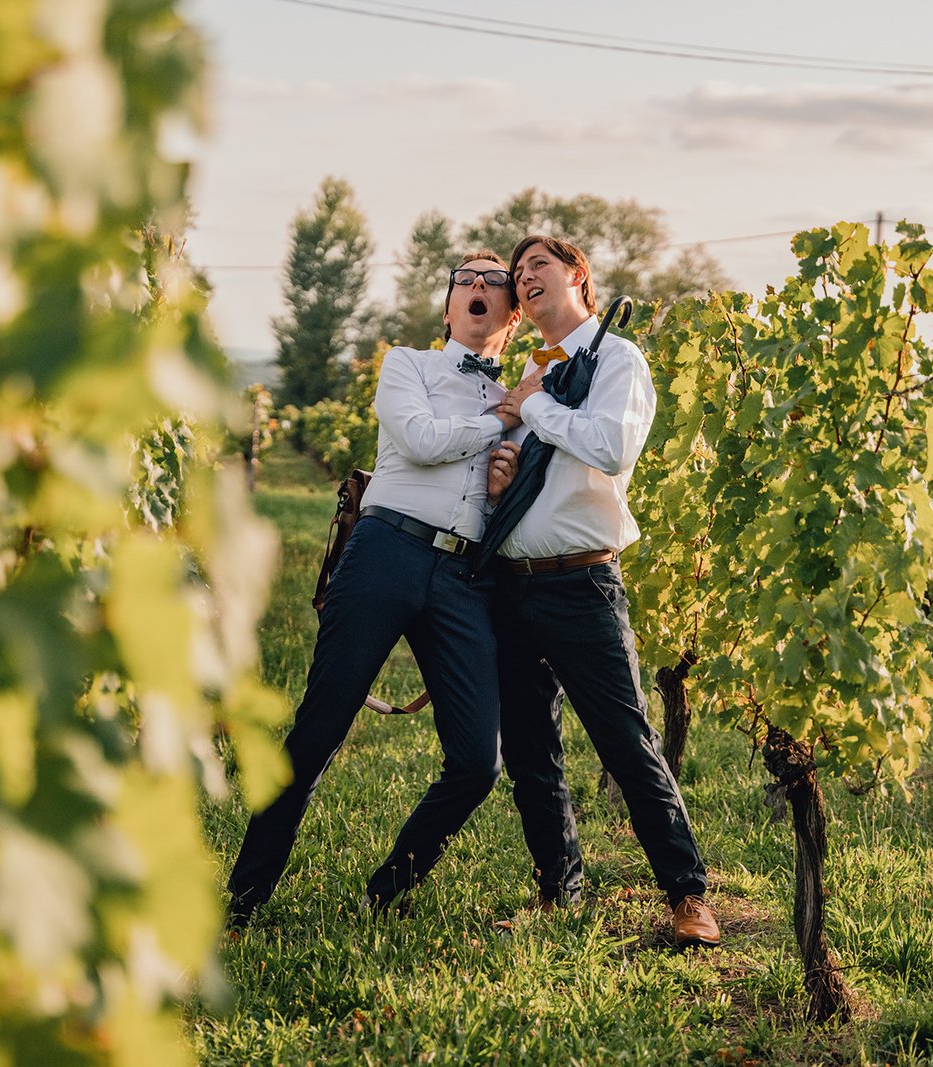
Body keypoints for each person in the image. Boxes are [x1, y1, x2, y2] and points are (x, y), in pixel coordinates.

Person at [226, 251, 523, 926]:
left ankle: (386, 890)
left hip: (463, 576)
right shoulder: (407, 366)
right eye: (466, 281)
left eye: (494, 282)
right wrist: (499, 421)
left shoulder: (523, 400)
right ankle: (244, 898)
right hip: (386, 550)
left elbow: (510, 497)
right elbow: (418, 441)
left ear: (511, 315)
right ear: (449, 308)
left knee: (478, 762)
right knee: (318, 731)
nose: (479, 286)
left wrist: (502, 482)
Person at [486, 234, 720, 949]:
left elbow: (613, 448)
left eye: (540, 265)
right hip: (513, 585)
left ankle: (687, 893)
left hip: (581, 581)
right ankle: (558, 892)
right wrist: (502, 469)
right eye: (519, 271)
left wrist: (535, 409)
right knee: (531, 754)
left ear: (578, 276)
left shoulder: (617, 359)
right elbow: (528, 466)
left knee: (625, 742)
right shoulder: (532, 370)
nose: (525, 277)